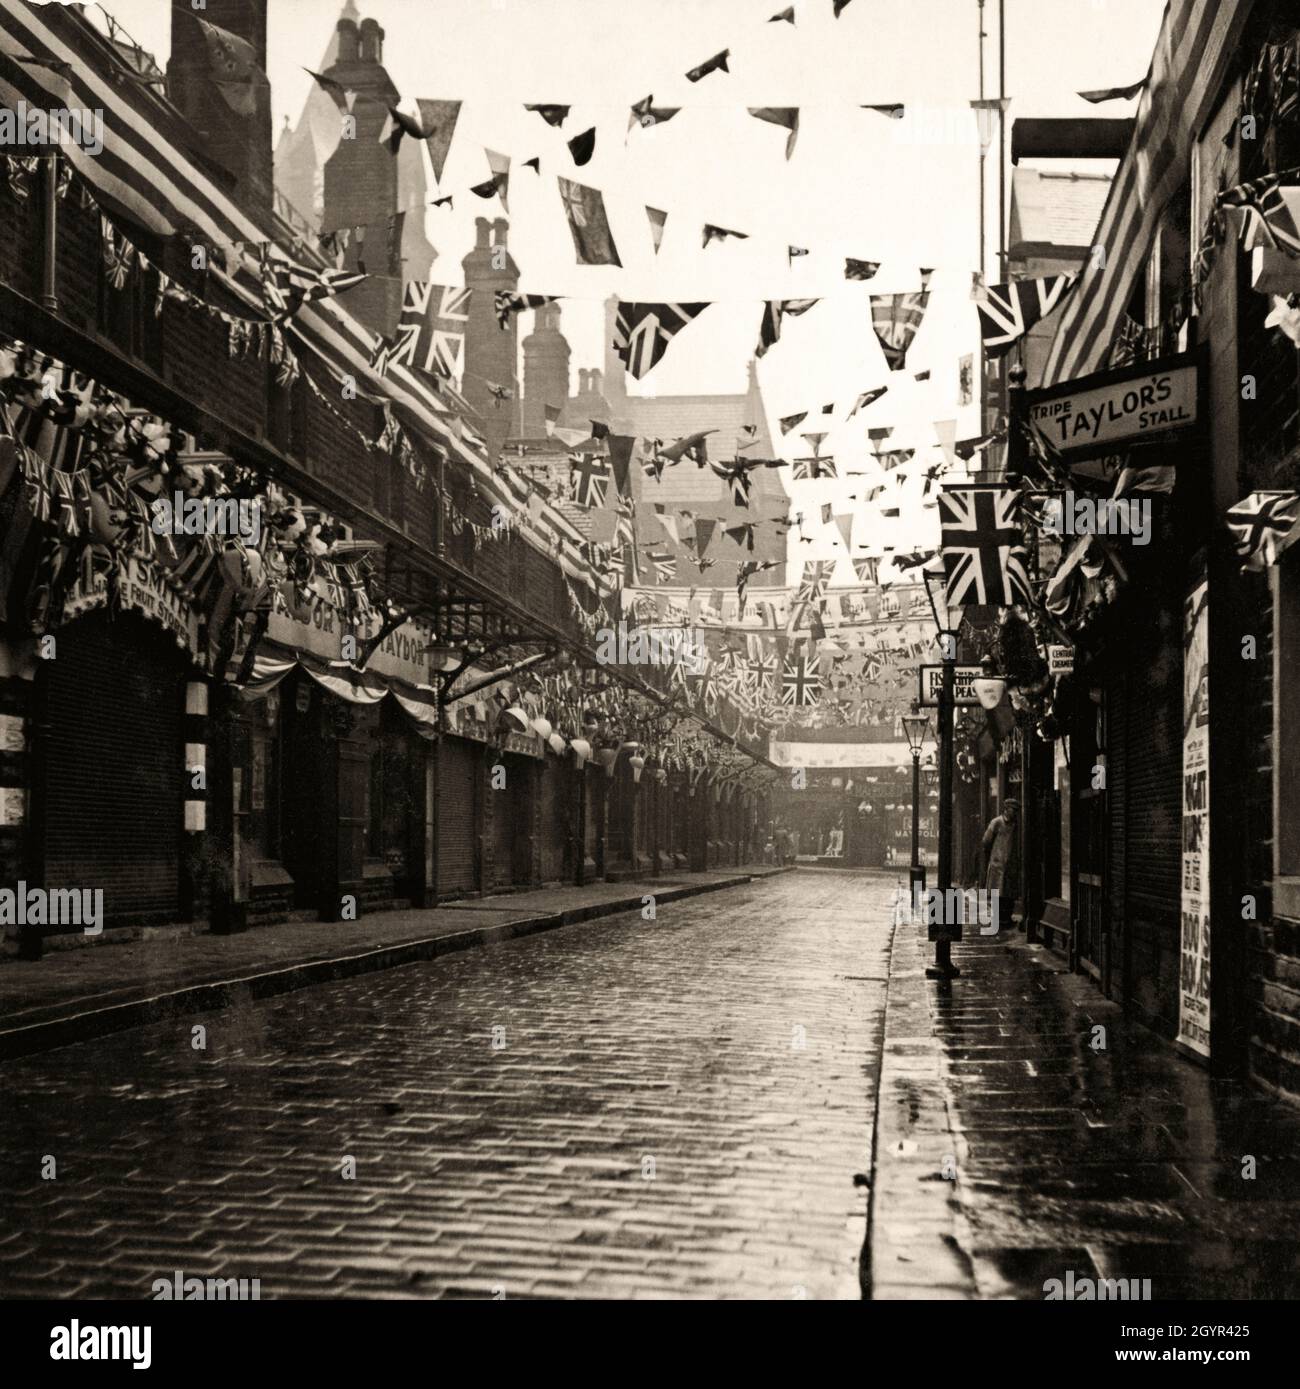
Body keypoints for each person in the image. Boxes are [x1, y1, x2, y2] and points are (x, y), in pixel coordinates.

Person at [981, 798, 1020, 894]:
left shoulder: (1015, 824)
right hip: (997, 862)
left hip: (1009, 863)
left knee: (1006, 892)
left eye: (1016, 810)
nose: (1014, 813)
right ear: (1006, 809)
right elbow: (986, 840)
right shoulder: (996, 822)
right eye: (1013, 810)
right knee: (995, 890)